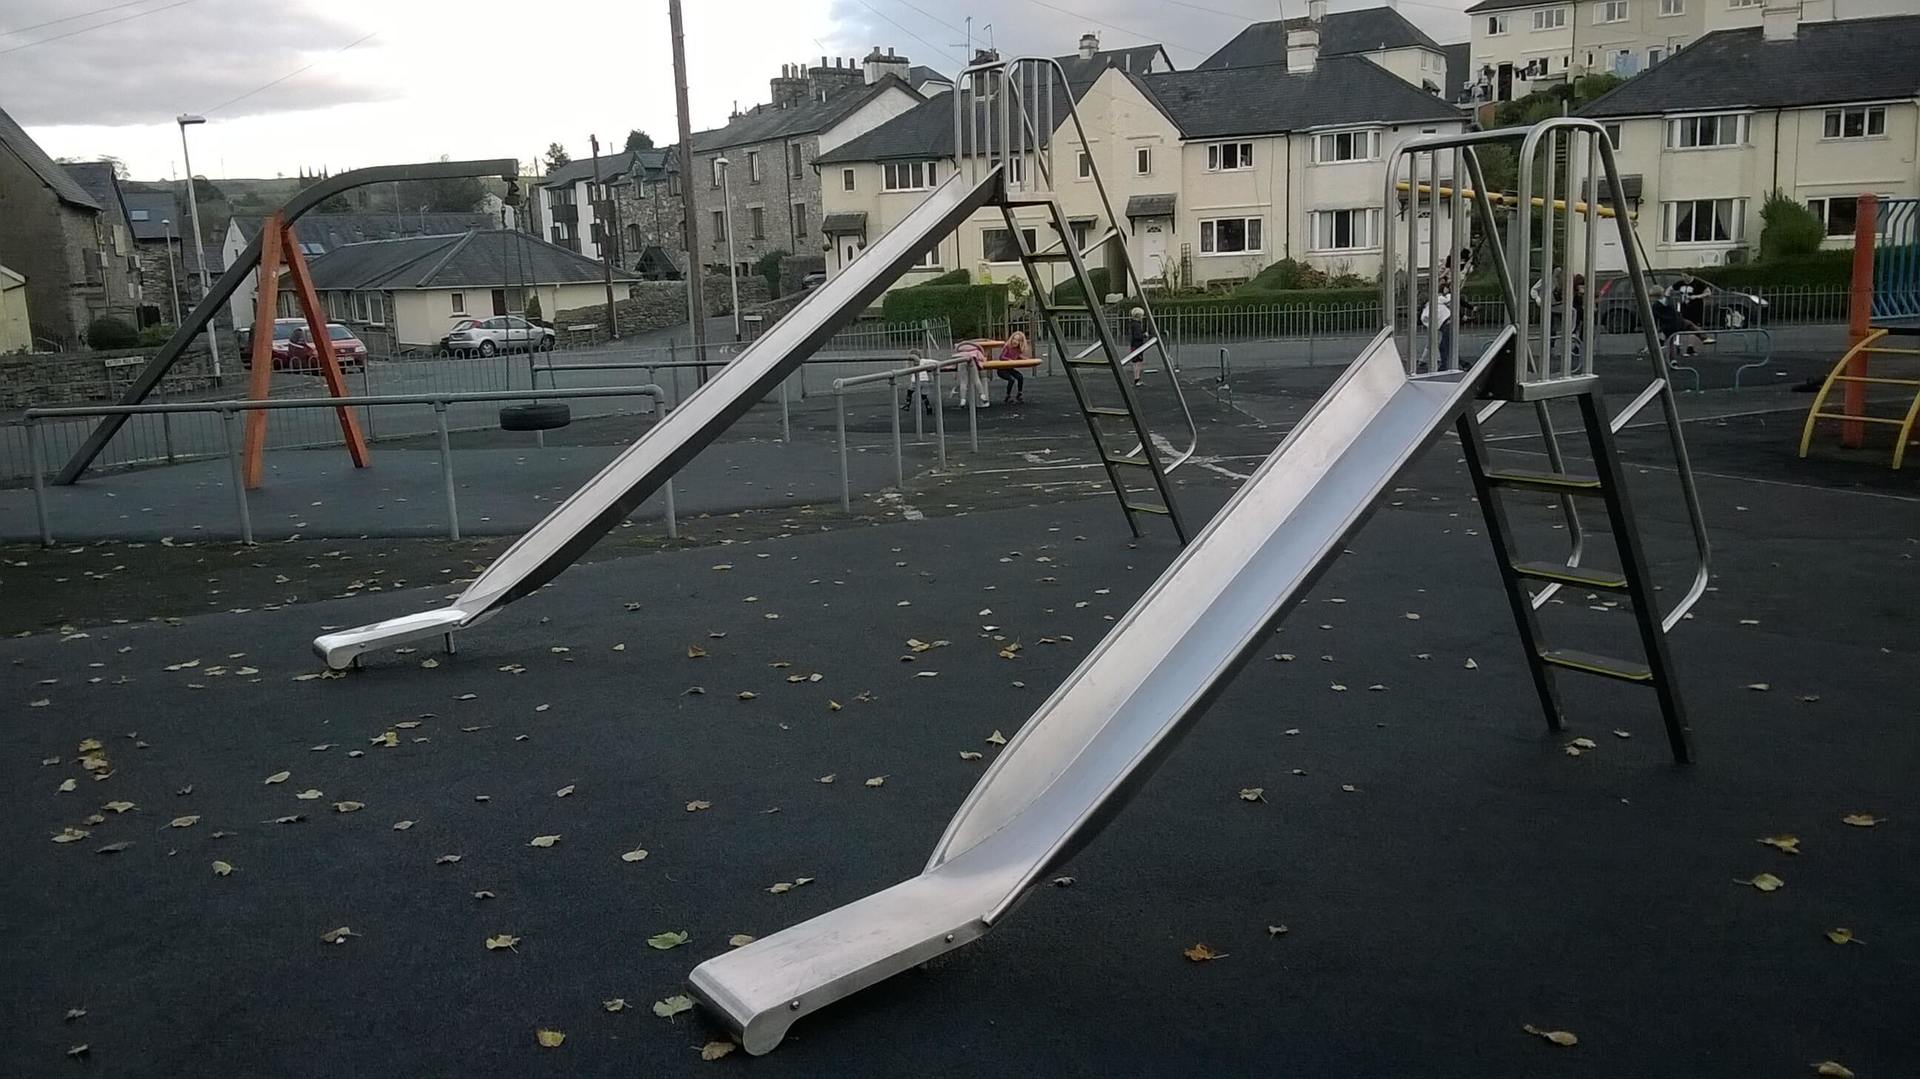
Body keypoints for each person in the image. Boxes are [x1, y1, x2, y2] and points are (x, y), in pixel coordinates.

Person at [951, 340, 990, 408]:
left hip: (961, 361)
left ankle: (963, 400)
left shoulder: (958, 352)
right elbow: (982, 358)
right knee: (976, 379)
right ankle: (982, 395)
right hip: (971, 361)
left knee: (963, 382)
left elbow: (954, 362)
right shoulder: (976, 350)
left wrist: (954, 373)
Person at [997, 331, 1028, 404]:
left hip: (1009, 369)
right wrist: (1009, 360)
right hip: (1002, 369)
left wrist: (1023, 358)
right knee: (1011, 379)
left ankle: (1019, 394)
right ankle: (1008, 396)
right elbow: (1001, 357)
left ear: (1021, 342)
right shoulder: (1007, 347)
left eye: (1018, 340)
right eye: (1014, 339)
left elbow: (1016, 356)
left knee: (1020, 377)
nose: (1015, 341)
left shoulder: (1018, 350)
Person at [900, 348, 933, 417]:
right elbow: (932, 364)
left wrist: (907, 362)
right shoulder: (923, 361)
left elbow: (907, 370)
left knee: (910, 391)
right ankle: (928, 407)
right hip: (925, 380)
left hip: (916, 380)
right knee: (924, 396)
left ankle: (907, 405)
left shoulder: (912, 363)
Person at [1126, 307, 1149, 386]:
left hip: (1134, 345)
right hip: (1137, 345)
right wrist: (1144, 335)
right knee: (1137, 363)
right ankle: (1137, 379)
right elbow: (1137, 336)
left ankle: (1137, 378)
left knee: (1137, 362)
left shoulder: (1133, 323)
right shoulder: (1136, 325)